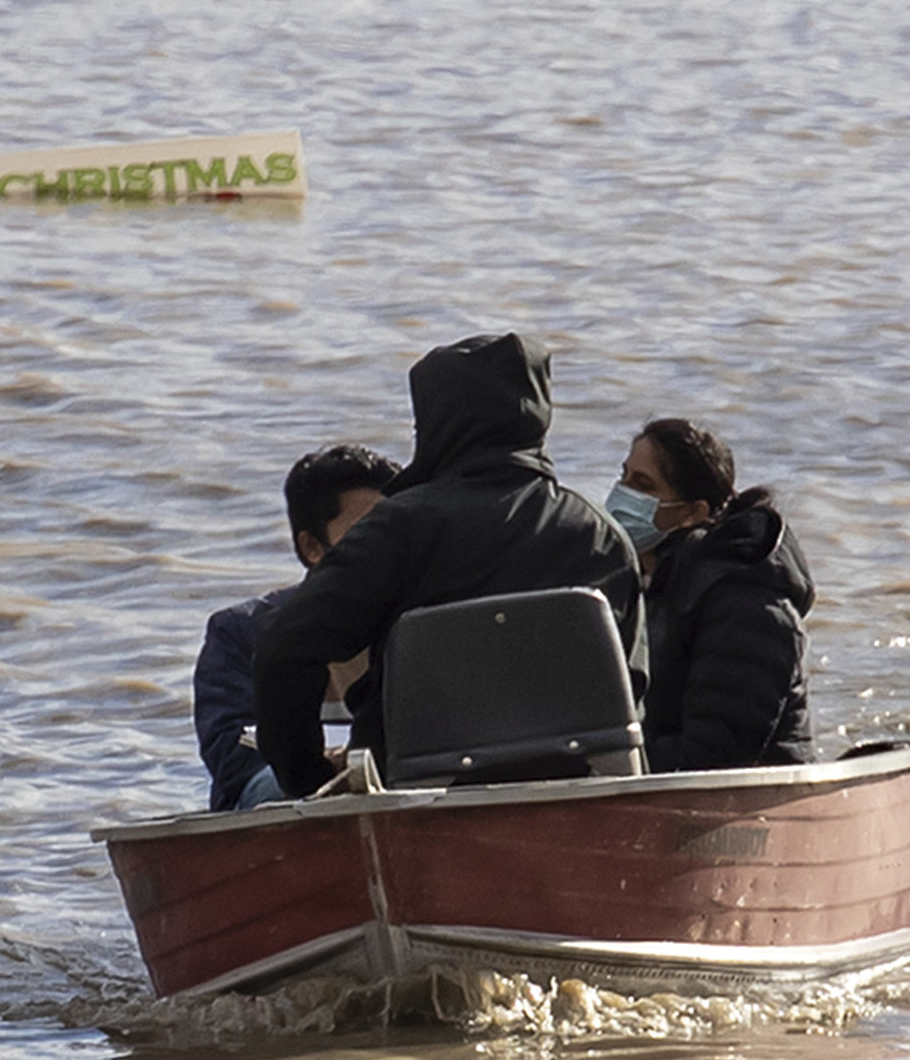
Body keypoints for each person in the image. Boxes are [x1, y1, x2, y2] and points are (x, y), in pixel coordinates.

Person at [253, 331, 645, 799]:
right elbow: (633, 688)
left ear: (434, 421)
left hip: (415, 794)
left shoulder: (397, 529)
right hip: (578, 789)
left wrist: (307, 779)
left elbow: (285, 652)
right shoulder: (601, 535)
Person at [611, 415, 818, 773]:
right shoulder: (640, 584)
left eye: (643, 485)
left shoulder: (745, 601)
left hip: (755, 798)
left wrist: (607, 767)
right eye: (624, 477)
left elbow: (718, 753)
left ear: (693, 512)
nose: (623, 495)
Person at [194, 445, 396, 809]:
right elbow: (234, 759)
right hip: (281, 803)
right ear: (312, 547)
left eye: (394, 532)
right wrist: (327, 769)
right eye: (367, 533)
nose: (386, 549)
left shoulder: (421, 624)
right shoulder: (239, 633)